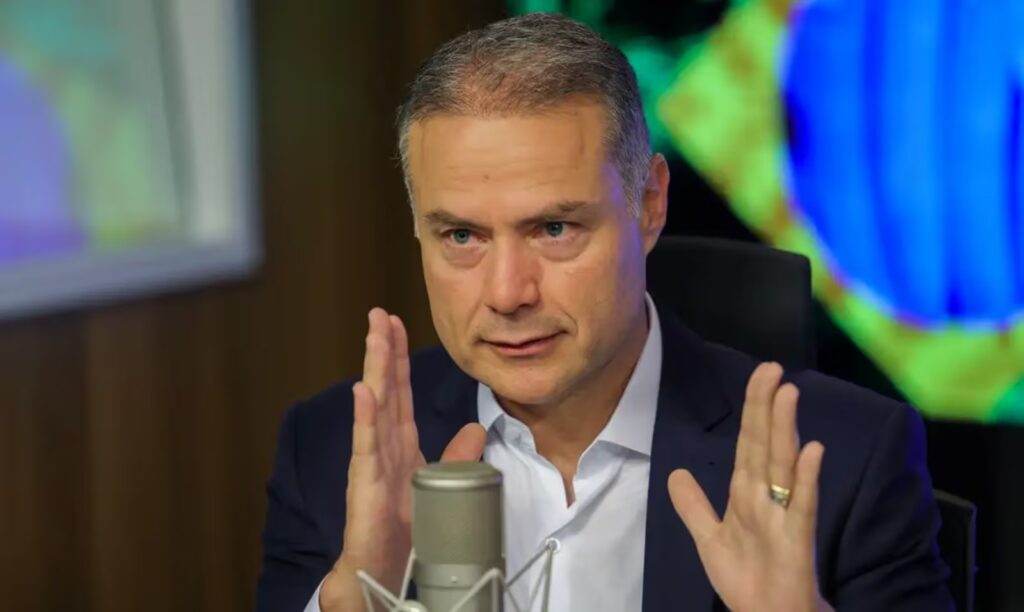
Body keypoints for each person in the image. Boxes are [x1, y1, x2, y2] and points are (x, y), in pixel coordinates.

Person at [256, 13, 951, 612]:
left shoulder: (847, 460)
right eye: (462, 236)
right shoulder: (330, 455)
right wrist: (356, 595)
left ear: (650, 204)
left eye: (554, 228)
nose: (507, 293)